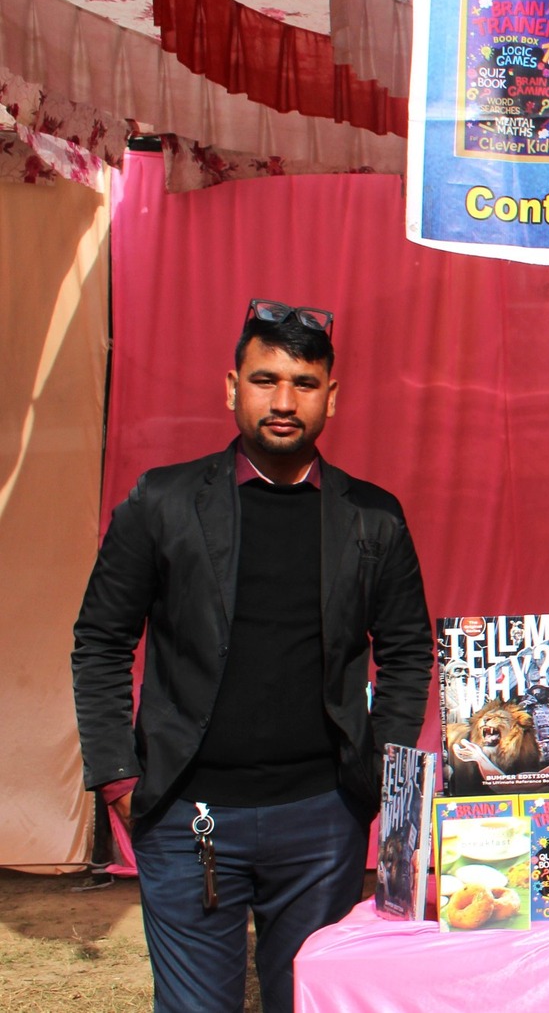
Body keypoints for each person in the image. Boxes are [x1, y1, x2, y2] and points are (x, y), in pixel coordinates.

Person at [72, 300, 433, 1013]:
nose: (284, 401)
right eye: (266, 380)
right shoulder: (163, 503)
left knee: (308, 1002)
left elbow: (408, 651)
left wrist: (379, 782)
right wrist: (117, 775)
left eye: (304, 383)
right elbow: (101, 640)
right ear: (232, 387)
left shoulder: (373, 517)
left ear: (332, 396)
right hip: (186, 814)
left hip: (324, 819)